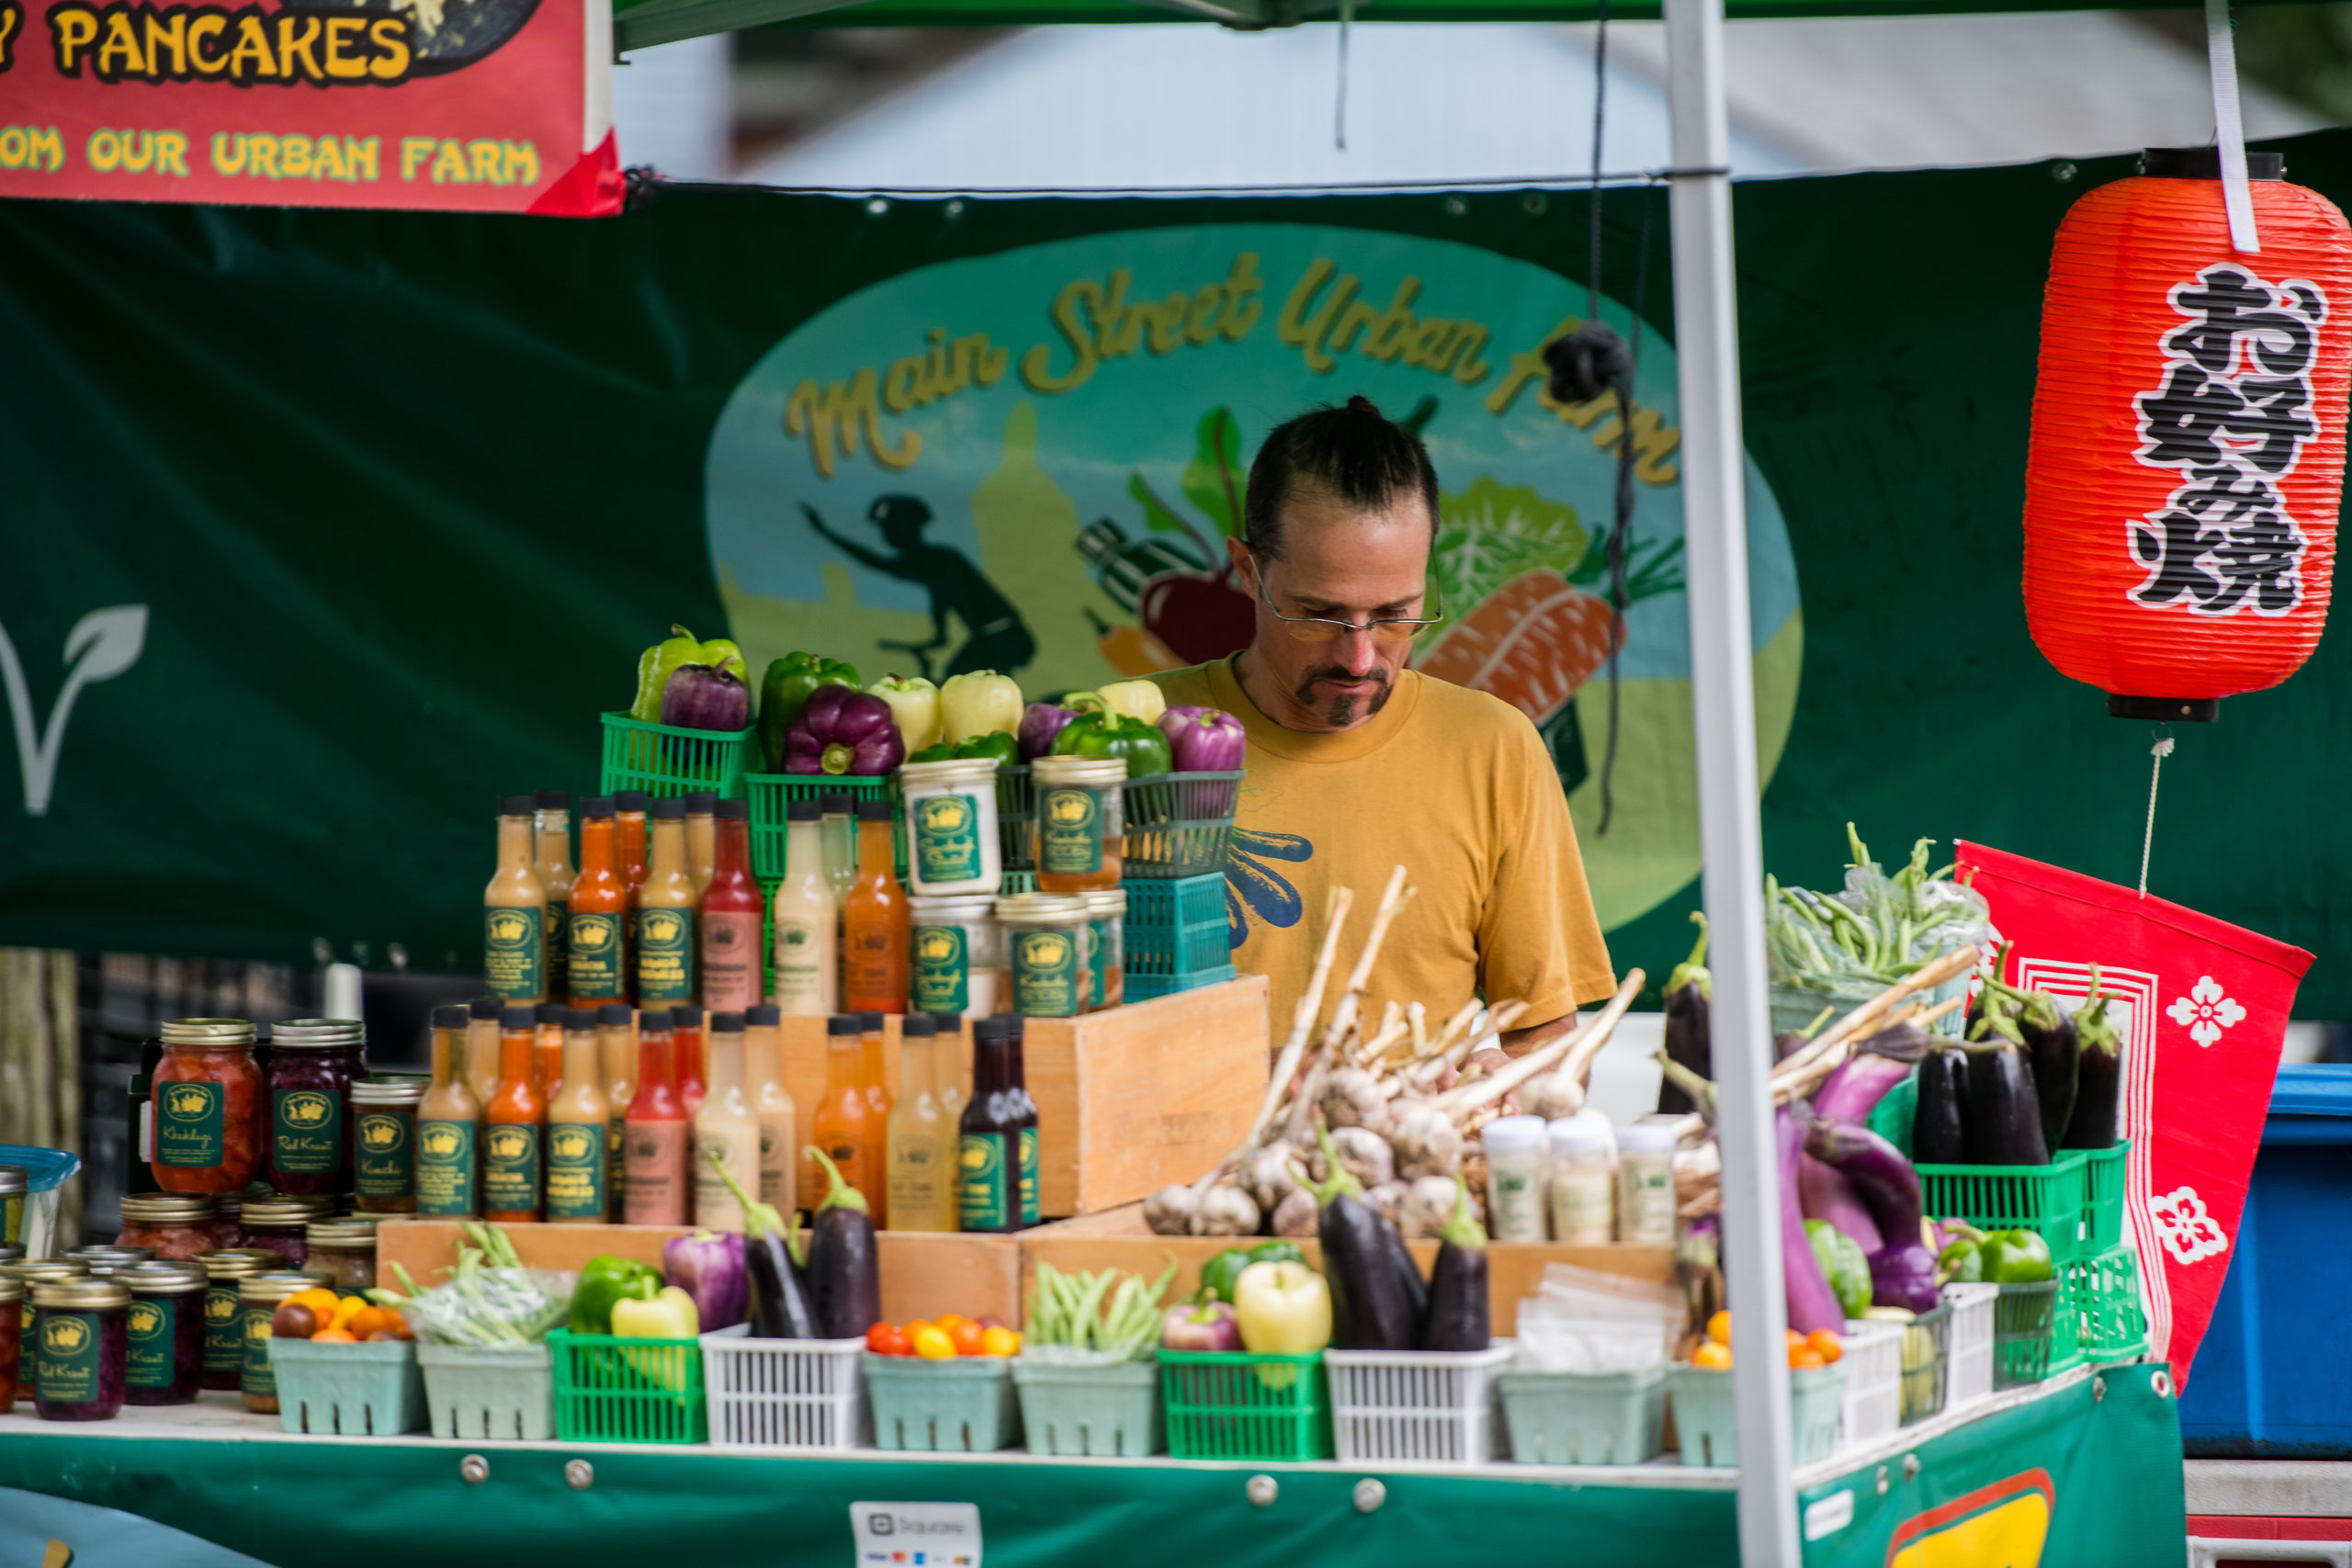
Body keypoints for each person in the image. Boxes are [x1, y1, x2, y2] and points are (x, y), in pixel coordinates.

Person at [1149, 396, 1614, 1053]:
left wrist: (1501, 1096)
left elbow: (1542, 1036)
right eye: (1320, 614)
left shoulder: (1493, 747)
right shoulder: (1134, 739)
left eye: (1397, 614)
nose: (1360, 658)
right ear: (1248, 571)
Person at [801, 495, 1036, 681]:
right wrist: (827, 533)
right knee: (957, 679)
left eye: (890, 526)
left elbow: (943, 593)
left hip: (1003, 636)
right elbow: (879, 563)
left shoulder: (941, 559)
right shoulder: (922, 560)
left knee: (961, 681)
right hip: (989, 635)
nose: (886, 533)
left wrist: (940, 634)